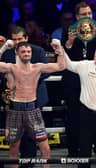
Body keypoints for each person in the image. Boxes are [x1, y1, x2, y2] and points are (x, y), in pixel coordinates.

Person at [1, 41, 65, 168]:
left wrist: (59, 49)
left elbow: (61, 66)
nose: (26, 54)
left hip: (33, 111)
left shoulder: (38, 67)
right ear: (17, 53)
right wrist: (3, 48)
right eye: (23, 52)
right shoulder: (10, 68)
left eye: (28, 51)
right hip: (15, 111)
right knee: (14, 150)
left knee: (45, 149)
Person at [61, 1, 96, 157]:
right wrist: (69, 42)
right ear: (77, 16)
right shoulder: (69, 31)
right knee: (74, 118)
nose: (87, 16)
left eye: (89, 13)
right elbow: (62, 56)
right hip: (74, 84)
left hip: (94, 82)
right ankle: (73, 152)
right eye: (83, 14)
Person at [1, 26, 49, 168]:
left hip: (34, 99)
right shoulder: (8, 53)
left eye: (20, 39)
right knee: (14, 144)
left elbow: (46, 71)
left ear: (26, 38)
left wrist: (28, 79)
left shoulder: (37, 51)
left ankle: (29, 165)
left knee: (34, 141)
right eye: (14, 39)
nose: (17, 42)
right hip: (14, 101)